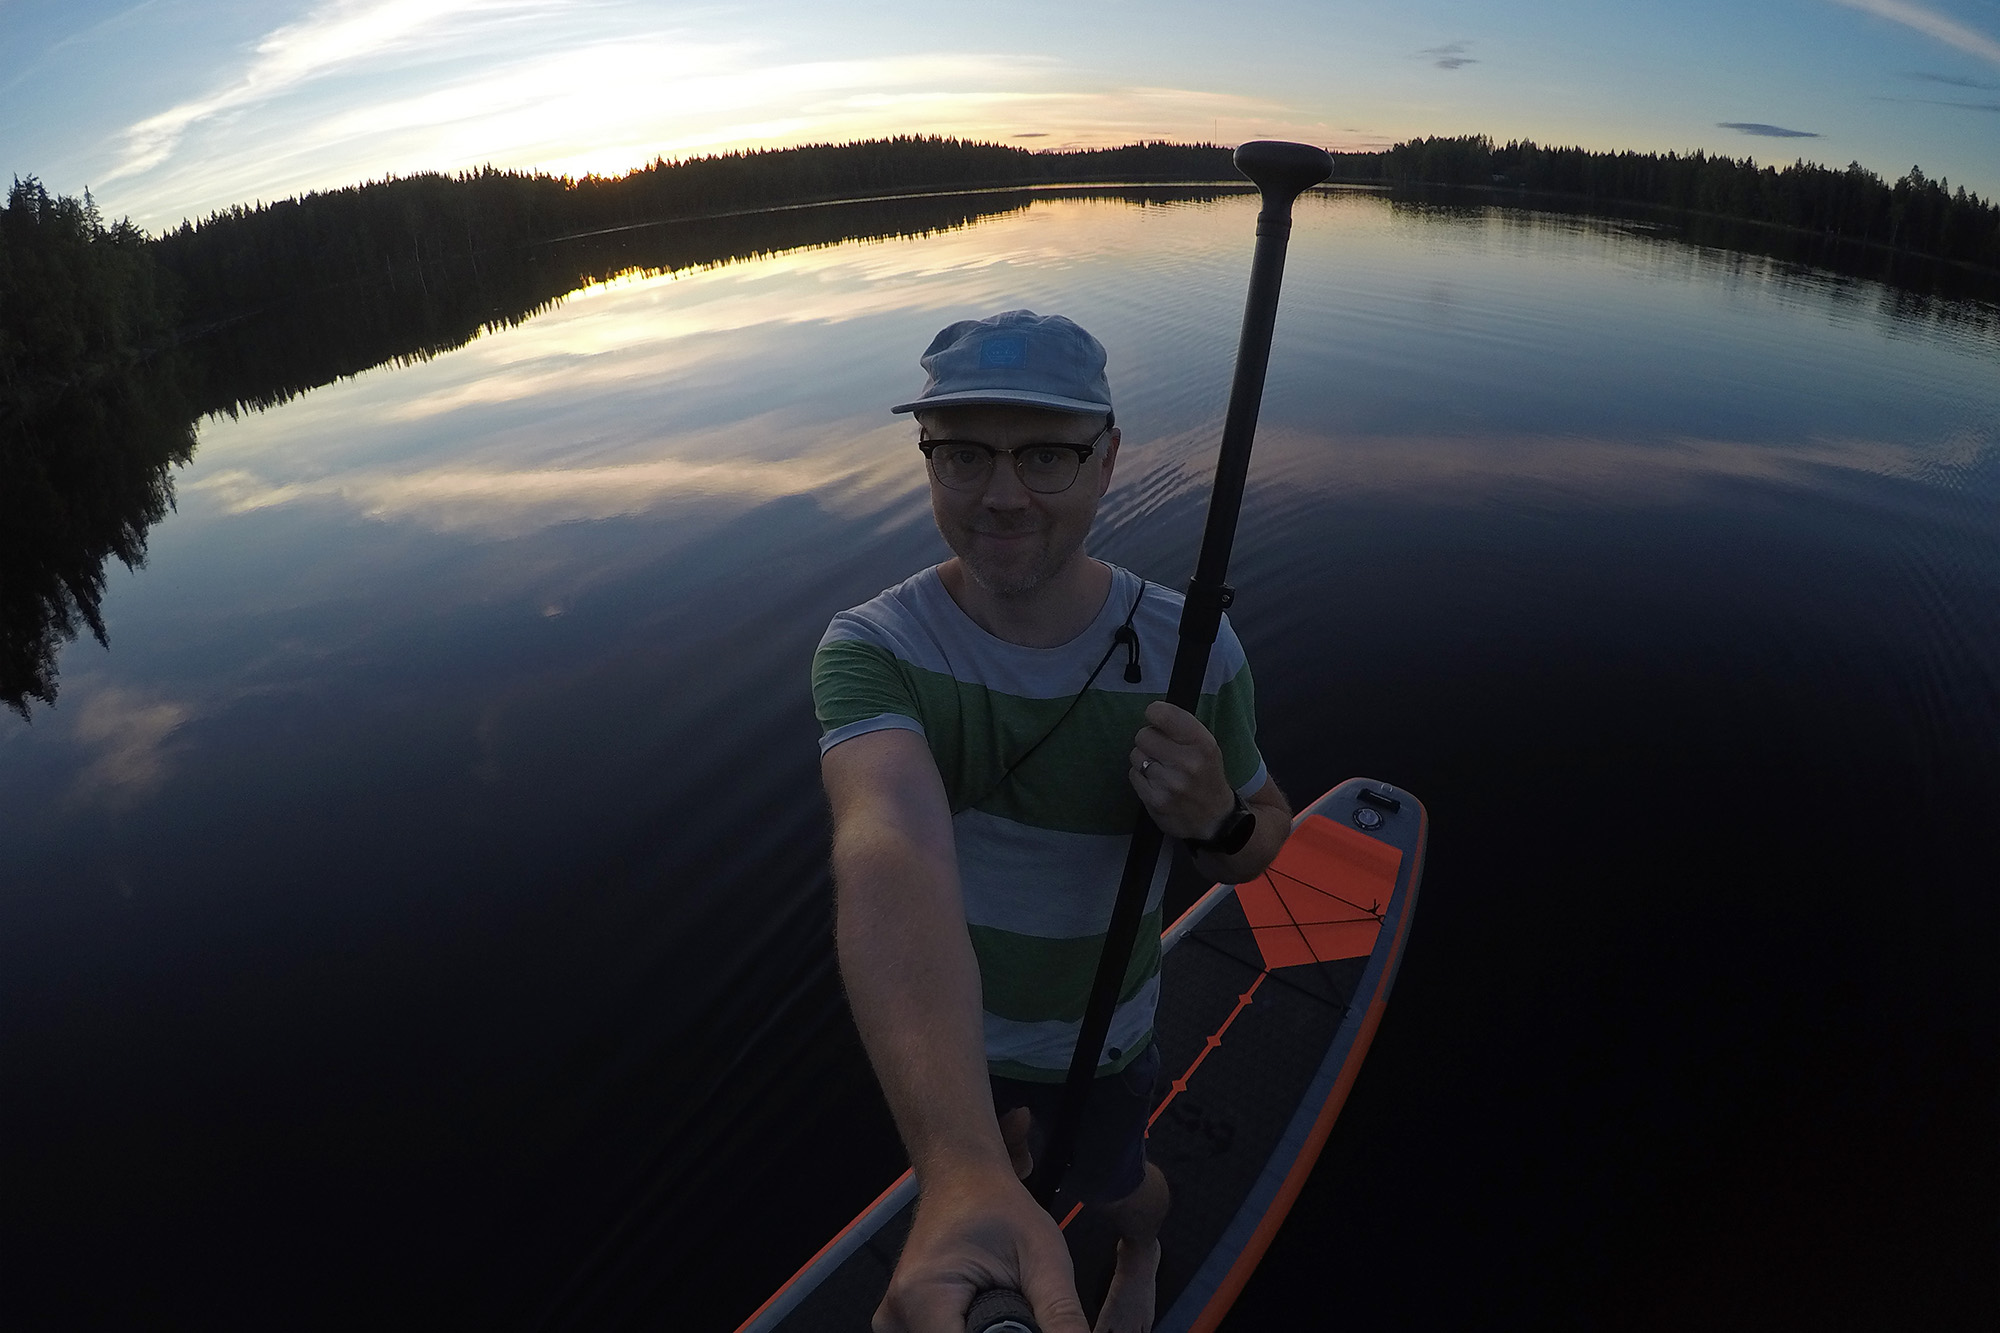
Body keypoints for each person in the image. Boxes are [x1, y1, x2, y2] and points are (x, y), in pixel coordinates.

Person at [812, 310, 1292, 1333]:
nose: (1000, 496)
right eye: (963, 455)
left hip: (1105, 1036)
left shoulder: (1191, 651)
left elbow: (1264, 837)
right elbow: (883, 842)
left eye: (1044, 455)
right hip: (949, 1036)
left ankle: (1143, 1246)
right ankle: (993, 1175)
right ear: (926, 456)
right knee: (1002, 1166)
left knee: (1113, 1181)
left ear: (1108, 458)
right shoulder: (872, 648)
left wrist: (1212, 820)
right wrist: (953, 1167)